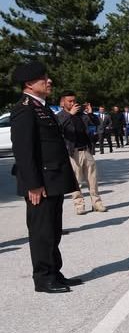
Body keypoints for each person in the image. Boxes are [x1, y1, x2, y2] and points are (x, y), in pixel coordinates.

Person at [9, 61, 80, 293]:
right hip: (41, 183)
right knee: (41, 232)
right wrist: (34, 184)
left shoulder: (42, 107)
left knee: (53, 229)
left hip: (53, 180)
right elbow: (24, 150)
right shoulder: (24, 109)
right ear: (29, 84)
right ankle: (43, 278)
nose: (49, 81)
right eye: (43, 79)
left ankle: (54, 272)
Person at [55, 91, 106, 215]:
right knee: (76, 181)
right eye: (70, 101)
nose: (73, 103)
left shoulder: (81, 115)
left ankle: (96, 203)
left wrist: (90, 113)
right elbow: (58, 129)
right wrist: (70, 115)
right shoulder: (60, 116)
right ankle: (79, 205)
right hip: (73, 152)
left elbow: (97, 123)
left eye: (74, 100)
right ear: (63, 103)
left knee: (92, 179)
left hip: (86, 150)